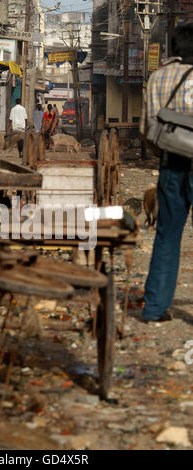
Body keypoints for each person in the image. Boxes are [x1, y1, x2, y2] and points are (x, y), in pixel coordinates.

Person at [140, 22, 193, 323]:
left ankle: (156, 308)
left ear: (173, 47)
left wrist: (167, 150)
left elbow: (148, 131)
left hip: (172, 164)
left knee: (167, 236)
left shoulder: (158, 77)